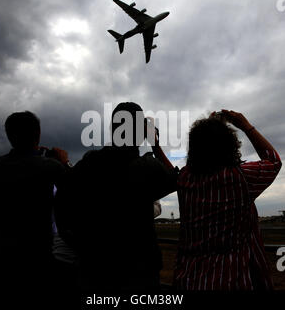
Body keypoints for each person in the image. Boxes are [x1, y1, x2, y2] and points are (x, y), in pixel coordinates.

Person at [55, 102, 177, 291]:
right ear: (141, 133)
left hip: (96, 272)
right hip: (139, 274)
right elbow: (178, 180)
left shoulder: (88, 165)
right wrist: (155, 145)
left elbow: (62, 215)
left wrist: (85, 249)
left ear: (112, 129)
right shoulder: (147, 168)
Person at [173, 110, 282, 290]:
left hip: (187, 279)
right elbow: (274, 161)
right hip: (231, 280)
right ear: (231, 146)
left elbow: (197, 158)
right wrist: (246, 126)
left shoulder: (184, 178)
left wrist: (209, 127)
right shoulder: (240, 178)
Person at [0, 111, 70, 290]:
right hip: (38, 254)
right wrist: (64, 162)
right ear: (38, 134)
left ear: (9, 135)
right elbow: (77, 190)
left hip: (1, 253)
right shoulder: (50, 167)